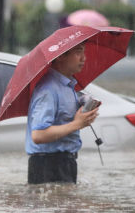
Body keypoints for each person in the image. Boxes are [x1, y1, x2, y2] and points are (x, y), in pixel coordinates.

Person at [26, 42, 99, 184]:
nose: (84, 58)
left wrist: (84, 112)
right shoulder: (47, 90)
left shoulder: (68, 86)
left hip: (65, 162)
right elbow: (38, 135)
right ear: (60, 56)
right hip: (47, 164)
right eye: (78, 52)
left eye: (84, 52)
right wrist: (77, 124)